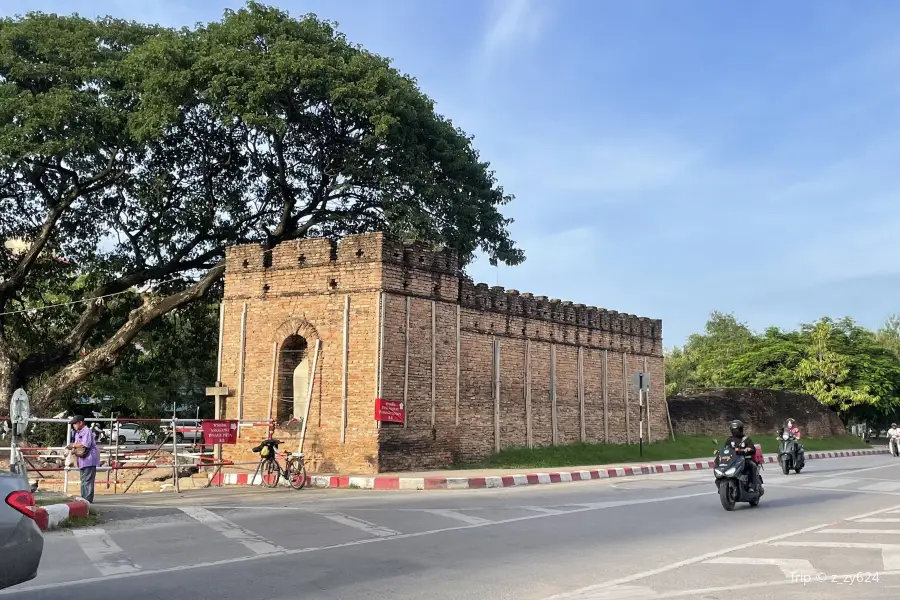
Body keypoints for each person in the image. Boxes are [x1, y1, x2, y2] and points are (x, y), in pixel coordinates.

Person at [66, 415, 100, 503]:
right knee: (83, 479)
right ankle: (84, 498)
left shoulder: (87, 431)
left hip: (89, 459)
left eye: (75, 424)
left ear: (81, 422)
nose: (74, 426)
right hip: (82, 459)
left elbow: (86, 444)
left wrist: (73, 445)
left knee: (88, 479)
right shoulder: (78, 432)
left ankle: (87, 499)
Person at [727, 419, 761, 492]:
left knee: (752, 465)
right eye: (734, 430)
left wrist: (749, 449)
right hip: (733, 461)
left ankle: (751, 485)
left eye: (737, 429)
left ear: (741, 429)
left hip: (745, 459)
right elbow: (725, 449)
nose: (735, 431)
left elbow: (753, 449)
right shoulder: (729, 440)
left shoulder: (746, 439)